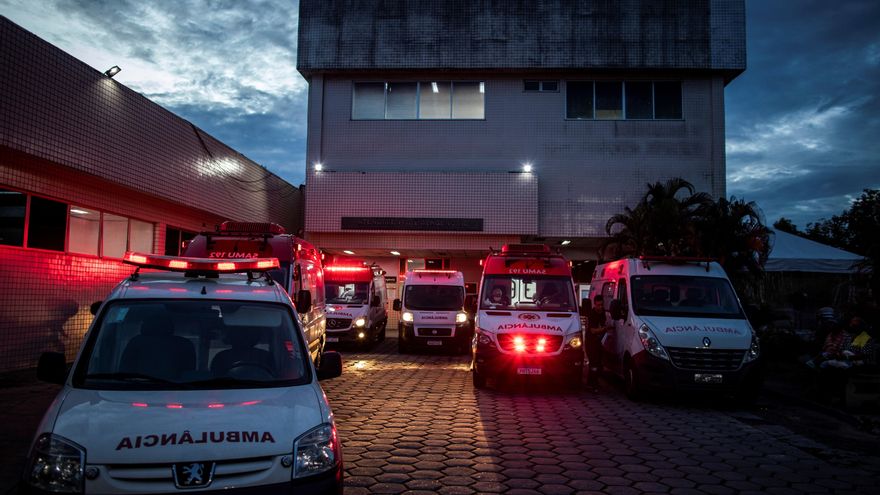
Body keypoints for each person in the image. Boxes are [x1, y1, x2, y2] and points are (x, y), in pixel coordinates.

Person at [586, 295, 609, 393]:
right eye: (598, 305)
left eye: (602, 305)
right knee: (593, 363)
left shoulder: (602, 312)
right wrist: (604, 329)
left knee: (598, 363)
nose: (600, 307)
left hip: (598, 341)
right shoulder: (592, 314)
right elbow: (592, 330)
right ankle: (593, 384)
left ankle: (592, 383)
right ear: (594, 304)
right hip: (591, 341)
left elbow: (603, 323)